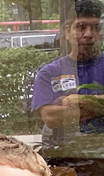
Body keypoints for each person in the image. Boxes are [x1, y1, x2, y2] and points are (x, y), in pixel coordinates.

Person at [31, 0, 104, 145]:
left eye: (94, 27)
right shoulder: (49, 73)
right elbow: (50, 118)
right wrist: (99, 107)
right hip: (65, 158)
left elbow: (58, 116)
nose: (88, 34)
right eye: (81, 27)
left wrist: (77, 101)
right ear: (67, 31)